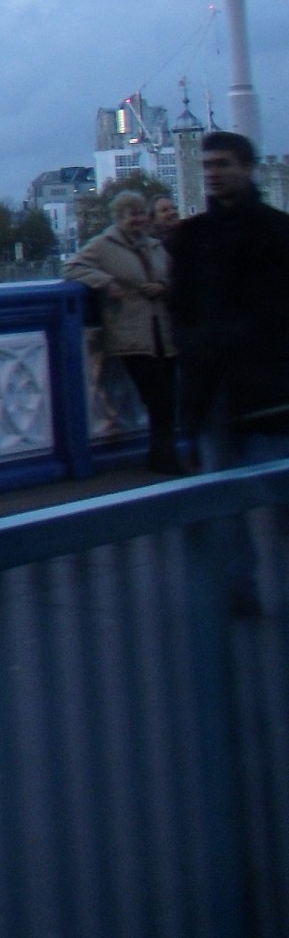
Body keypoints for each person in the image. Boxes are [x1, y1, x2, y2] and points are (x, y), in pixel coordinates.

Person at [169, 130, 289, 613]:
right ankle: (239, 587)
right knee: (224, 498)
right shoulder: (192, 237)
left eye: (223, 164)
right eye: (207, 166)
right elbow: (180, 310)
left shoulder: (279, 233)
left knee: (280, 498)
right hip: (214, 387)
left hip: (272, 387)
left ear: (248, 168)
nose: (213, 173)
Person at [64, 189, 181, 472]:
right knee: (158, 397)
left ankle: (161, 455)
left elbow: (174, 276)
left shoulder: (154, 246)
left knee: (168, 397)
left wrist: (163, 287)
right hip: (131, 334)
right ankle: (166, 458)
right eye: (132, 214)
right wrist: (104, 282)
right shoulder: (103, 245)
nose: (138, 219)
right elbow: (71, 267)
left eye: (141, 213)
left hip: (162, 332)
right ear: (119, 217)